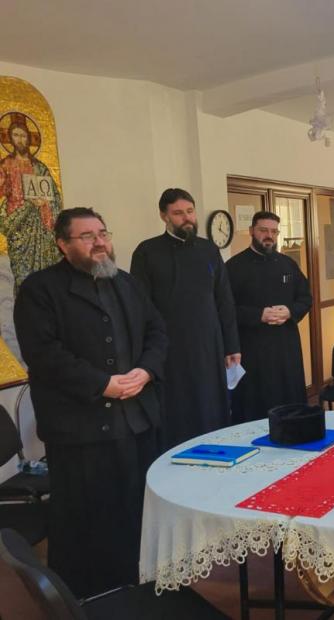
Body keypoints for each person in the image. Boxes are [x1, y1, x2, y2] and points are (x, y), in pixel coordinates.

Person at [14, 208, 167, 598]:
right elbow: (44, 355)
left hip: (136, 420)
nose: (99, 242)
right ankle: (89, 598)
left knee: (136, 509)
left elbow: (157, 332)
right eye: (87, 236)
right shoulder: (39, 290)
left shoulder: (127, 283)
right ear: (63, 245)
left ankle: (140, 584)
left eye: (102, 233)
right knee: (87, 519)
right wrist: (102, 385)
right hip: (80, 430)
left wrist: (146, 371)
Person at [130, 188, 240, 446]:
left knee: (210, 405)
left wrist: (232, 345)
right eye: (178, 213)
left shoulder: (209, 250)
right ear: (164, 216)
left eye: (190, 211)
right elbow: (140, 306)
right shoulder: (147, 252)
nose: (187, 218)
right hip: (169, 348)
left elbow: (224, 300)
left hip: (208, 345)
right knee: (177, 409)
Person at [226, 211, 312, 423]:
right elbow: (225, 309)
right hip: (252, 349)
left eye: (274, 231)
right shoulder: (233, 267)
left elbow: (306, 298)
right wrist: (258, 315)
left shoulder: (288, 264)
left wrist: (290, 311)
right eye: (263, 230)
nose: (269, 236)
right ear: (251, 231)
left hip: (286, 348)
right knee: (254, 407)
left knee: (290, 405)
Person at [0, 113, 62, 292]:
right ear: (10, 138)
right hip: (20, 232)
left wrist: (46, 203)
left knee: (49, 279)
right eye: (16, 135)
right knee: (24, 280)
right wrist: (27, 205)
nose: (20, 139)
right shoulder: (5, 166)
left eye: (23, 135)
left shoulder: (40, 167)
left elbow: (55, 198)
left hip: (43, 231)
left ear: (29, 138)